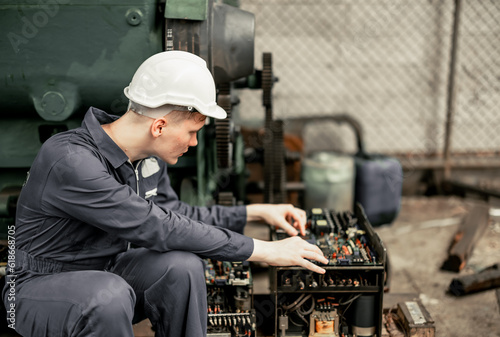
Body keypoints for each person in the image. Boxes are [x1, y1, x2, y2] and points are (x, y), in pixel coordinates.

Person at [3, 51, 327, 337]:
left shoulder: (148, 159)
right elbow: (158, 227)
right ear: (159, 126)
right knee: (108, 295)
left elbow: (177, 216)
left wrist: (254, 212)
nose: (194, 143)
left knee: (182, 267)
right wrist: (262, 250)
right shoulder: (71, 161)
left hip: (105, 271)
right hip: (35, 288)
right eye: (192, 132)